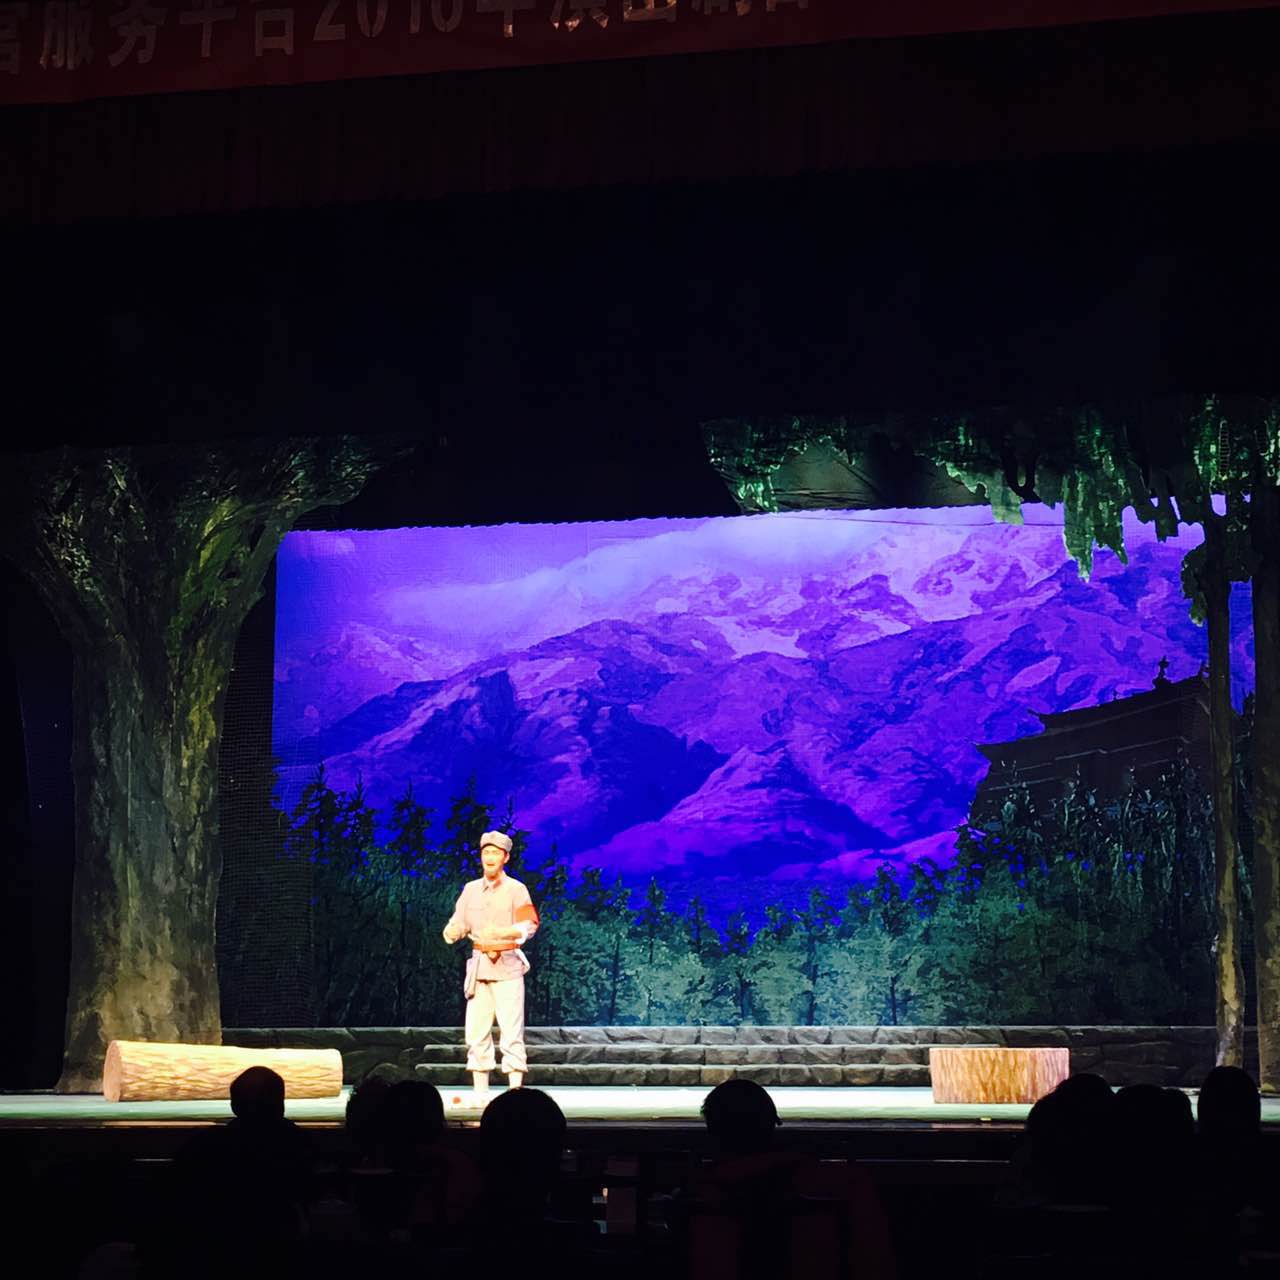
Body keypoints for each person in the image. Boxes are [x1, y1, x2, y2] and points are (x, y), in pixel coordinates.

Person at [442, 829, 539, 1096]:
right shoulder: (471, 890)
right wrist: (452, 930)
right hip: (480, 968)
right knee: (476, 1031)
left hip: (507, 965)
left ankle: (516, 1093)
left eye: (496, 853)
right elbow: (459, 920)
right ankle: (480, 1093)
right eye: (486, 852)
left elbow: (529, 924)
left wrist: (505, 932)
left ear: (505, 857)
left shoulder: (516, 889)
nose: (490, 857)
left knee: (511, 1031)